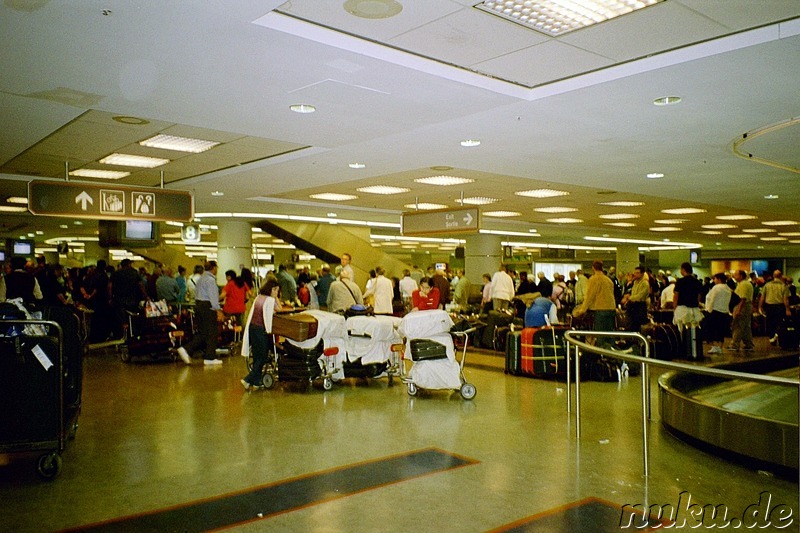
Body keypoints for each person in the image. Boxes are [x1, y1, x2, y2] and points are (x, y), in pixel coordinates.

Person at [240, 279, 283, 391]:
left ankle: (256, 381)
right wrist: (276, 298)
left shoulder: (259, 297)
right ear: (272, 289)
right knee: (263, 356)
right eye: (276, 290)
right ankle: (247, 379)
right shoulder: (269, 300)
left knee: (257, 355)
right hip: (261, 330)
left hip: (253, 328)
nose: (277, 293)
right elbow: (280, 309)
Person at [177, 261, 222, 365]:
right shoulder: (210, 280)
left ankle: (187, 349)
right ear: (214, 268)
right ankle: (209, 357)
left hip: (198, 306)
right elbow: (213, 298)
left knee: (203, 333)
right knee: (212, 332)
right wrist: (218, 310)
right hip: (207, 307)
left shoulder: (201, 279)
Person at [572, 260, 616, 343]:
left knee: (601, 335)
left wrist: (582, 310)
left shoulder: (593, 279)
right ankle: (611, 352)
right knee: (610, 334)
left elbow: (589, 296)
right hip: (611, 309)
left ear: (593, 268)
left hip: (600, 310)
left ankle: (602, 353)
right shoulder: (608, 280)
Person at [110, 259, 148, 339]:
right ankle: (132, 335)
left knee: (121, 319)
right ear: (129, 265)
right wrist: (146, 296)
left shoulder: (116, 273)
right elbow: (141, 286)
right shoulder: (135, 274)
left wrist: (110, 298)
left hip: (119, 300)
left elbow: (109, 286)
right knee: (132, 318)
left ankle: (121, 336)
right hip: (133, 300)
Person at [703, 273, 732, 355]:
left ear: (719, 279)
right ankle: (720, 347)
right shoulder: (728, 288)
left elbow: (711, 299)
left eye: (715, 279)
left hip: (714, 311)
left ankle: (714, 347)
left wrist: (708, 310)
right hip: (724, 312)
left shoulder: (716, 288)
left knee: (711, 329)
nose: (714, 280)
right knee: (721, 331)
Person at [760, 269, 791, 345]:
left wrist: (760, 307)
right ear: (781, 276)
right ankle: (779, 336)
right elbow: (785, 300)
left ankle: (771, 338)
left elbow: (762, 297)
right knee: (780, 323)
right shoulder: (784, 286)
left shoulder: (767, 285)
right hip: (780, 307)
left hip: (769, 307)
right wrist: (787, 309)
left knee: (770, 323)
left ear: (773, 276)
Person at [727, 269, 755, 352]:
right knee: (746, 326)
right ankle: (748, 344)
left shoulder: (743, 285)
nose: (734, 276)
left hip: (742, 306)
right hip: (746, 306)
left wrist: (738, 309)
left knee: (738, 325)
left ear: (741, 276)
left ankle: (734, 344)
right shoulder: (744, 284)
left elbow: (743, 298)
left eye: (736, 274)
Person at [673, 262, 704, 328]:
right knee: (694, 329)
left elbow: (676, 295)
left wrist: (675, 307)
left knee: (681, 328)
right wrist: (696, 303)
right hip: (694, 309)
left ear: (683, 270)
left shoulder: (680, 281)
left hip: (682, 309)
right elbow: (699, 296)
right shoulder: (697, 282)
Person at [622, 266, 650, 333]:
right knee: (631, 325)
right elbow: (633, 294)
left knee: (638, 326)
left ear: (642, 274)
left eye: (637, 273)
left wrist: (629, 297)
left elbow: (640, 296)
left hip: (640, 306)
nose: (635, 274)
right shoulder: (635, 283)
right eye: (635, 272)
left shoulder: (645, 284)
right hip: (633, 306)